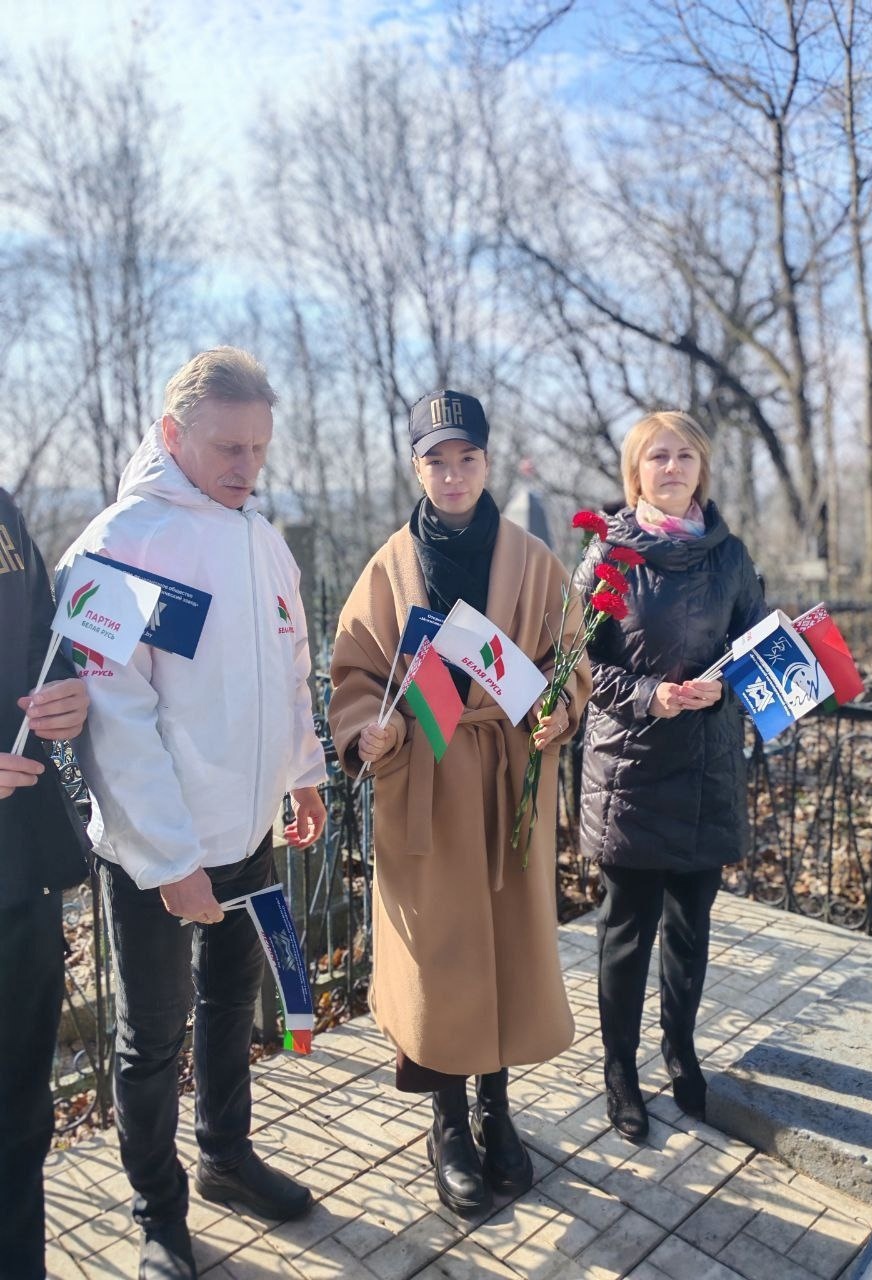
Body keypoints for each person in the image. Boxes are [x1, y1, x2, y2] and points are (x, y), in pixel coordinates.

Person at [58, 348, 328, 1280]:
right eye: (228, 447)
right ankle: (157, 1211)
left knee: (229, 1003)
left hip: (247, 830)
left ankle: (225, 1157)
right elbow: (114, 719)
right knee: (150, 1036)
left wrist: (302, 773)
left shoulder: (261, 539)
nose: (247, 467)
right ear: (173, 435)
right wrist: (171, 859)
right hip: (156, 853)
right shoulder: (117, 544)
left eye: (259, 448)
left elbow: (291, 664)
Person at [328, 389, 590, 1217]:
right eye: (435, 461)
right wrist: (369, 732)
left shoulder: (534, 560)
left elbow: (570, 660)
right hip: (425, 780)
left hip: (507, 776)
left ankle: (496, 1108)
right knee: (440, 953)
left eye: (466, 458)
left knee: (504, 945)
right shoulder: (388, 568)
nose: (452, 475)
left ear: (486, 460)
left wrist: (557, 709)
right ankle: (446, 1120)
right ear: (416, 467)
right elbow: (355, 675)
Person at [575, 410, 765, 1144]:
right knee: (627, 933)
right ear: (636, 472)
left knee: (691, 927)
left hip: (705, 768)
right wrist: (648, 695)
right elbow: (577, 664)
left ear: (702, 469)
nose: (673, 467)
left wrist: (729, 684)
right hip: (631, 771)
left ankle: (680, 1050)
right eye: (658, 456)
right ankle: (619, 1070)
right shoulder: (609, 558)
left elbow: (756, 647)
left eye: (685, 455)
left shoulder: (730, 557)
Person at [0, 490, 91, 1280]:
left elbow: (39, 636)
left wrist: (65, 690)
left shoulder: (2, 510)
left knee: (21, 1118)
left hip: (19, 872)